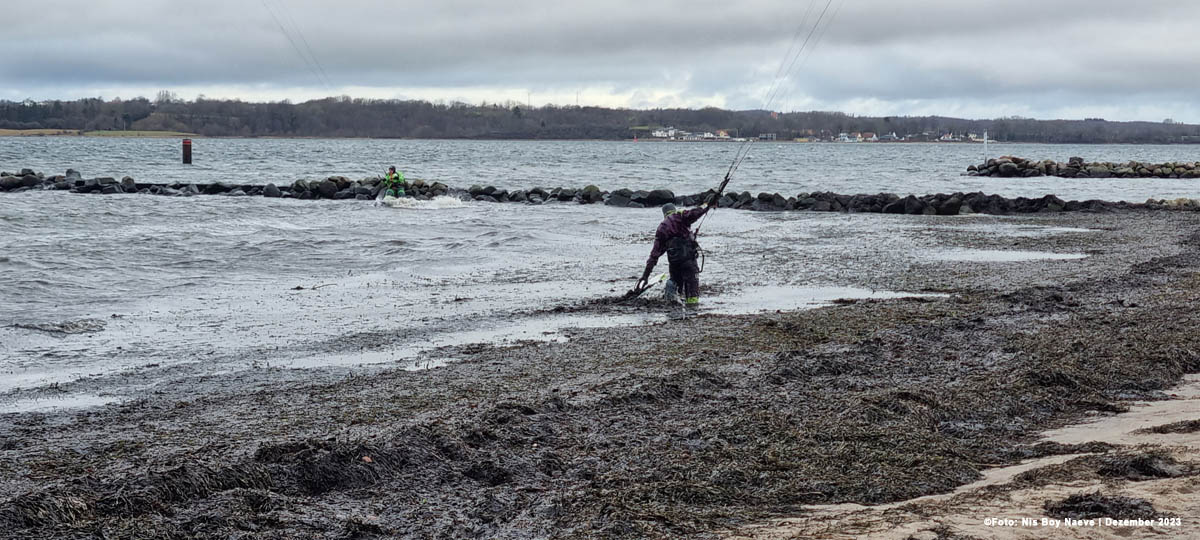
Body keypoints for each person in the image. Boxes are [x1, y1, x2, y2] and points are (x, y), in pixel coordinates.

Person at [638, 198, 713, 306]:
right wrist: (707, 205)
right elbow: (695, 213)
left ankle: (673, 311)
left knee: (675, 292)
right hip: (689, 262)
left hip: (674, 264)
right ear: (674, 210)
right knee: (692, 295)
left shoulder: (661, 228)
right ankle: (692, 311)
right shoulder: (681, 216)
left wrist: (645, 276)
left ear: (664, 214)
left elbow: (654, 256)